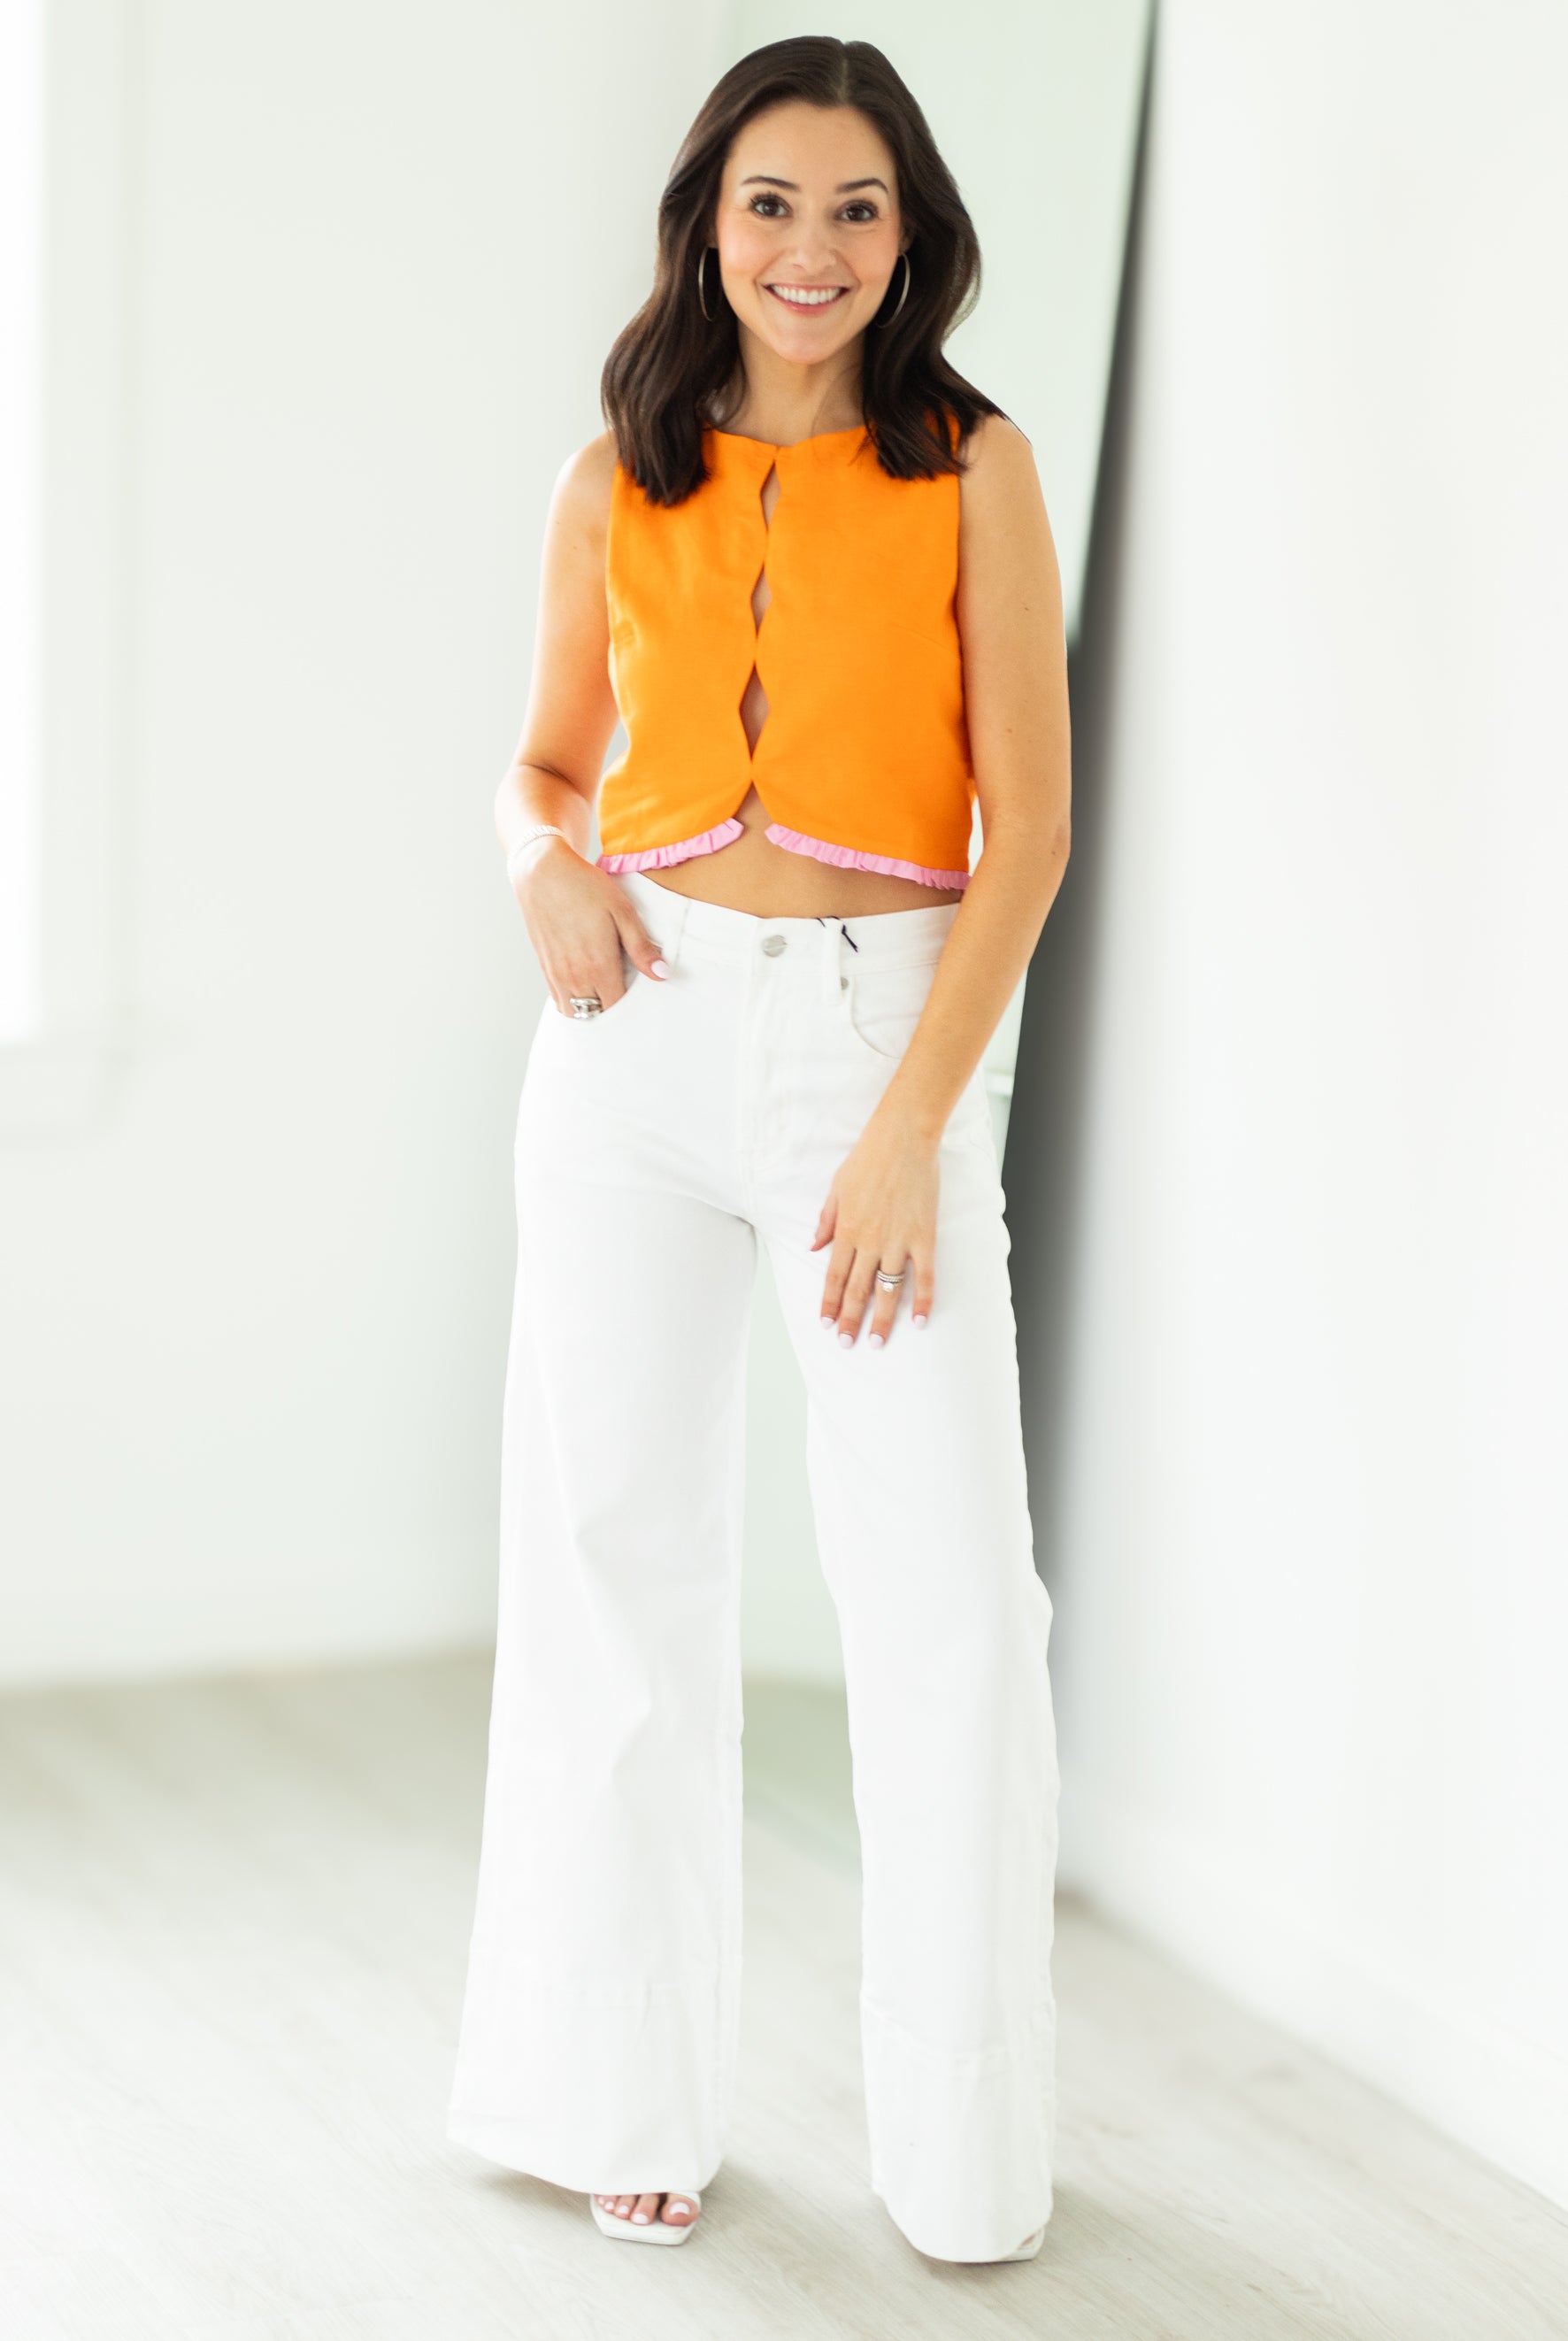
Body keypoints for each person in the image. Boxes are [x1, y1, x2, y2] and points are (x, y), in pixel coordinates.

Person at [446, 35, 1071, 2268]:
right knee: (616, 1558)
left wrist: (911, 1134)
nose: (812, 252)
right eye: (774, 205)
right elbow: (537, 767)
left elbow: (1028, 836)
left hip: (869, 1049)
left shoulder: (971, 465)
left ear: (912, 239)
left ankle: (968, 2156)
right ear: (707, 221)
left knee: (948, 1607)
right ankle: (622, 2093)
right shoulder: (611, 475)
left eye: (859, 211)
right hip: (627, 1045)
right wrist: (531, 863)